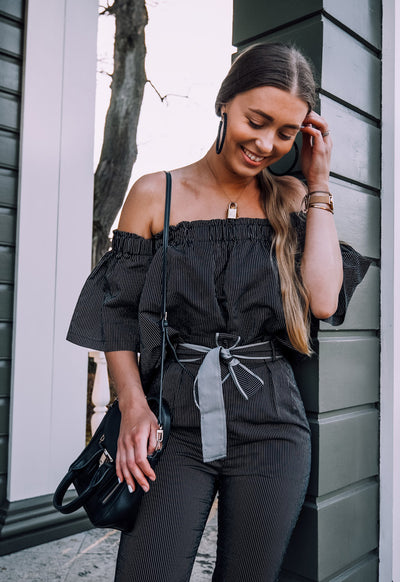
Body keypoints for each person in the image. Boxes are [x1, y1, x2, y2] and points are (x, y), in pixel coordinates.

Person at [67, 42, 371, 582]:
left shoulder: (294, 198)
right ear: (224, 102)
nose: (265, 144)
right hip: (173, 423)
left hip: (273, 428)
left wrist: (319, 184)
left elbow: (324, 300)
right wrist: (132, 406)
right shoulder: (154, 194)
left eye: (284, 132)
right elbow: (116, 313)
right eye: (257, 121)